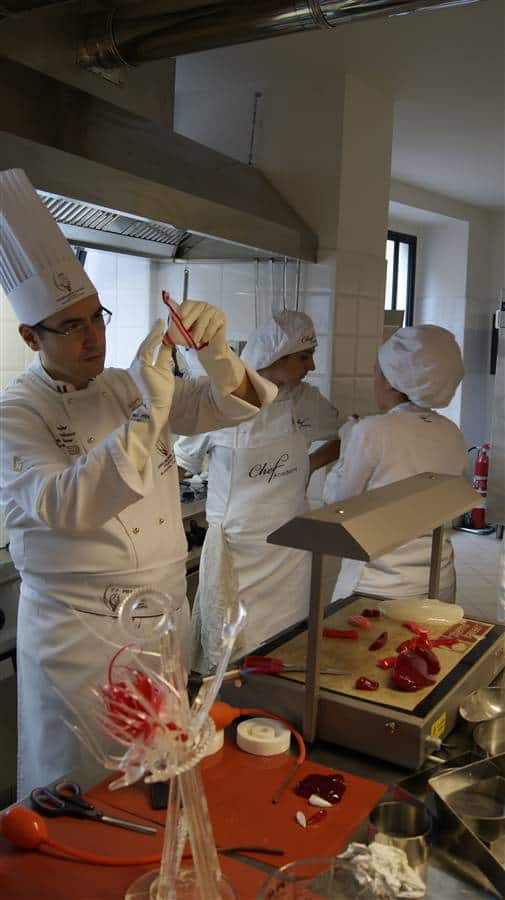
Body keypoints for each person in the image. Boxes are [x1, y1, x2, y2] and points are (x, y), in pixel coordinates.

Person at [0, 168, 277, 797]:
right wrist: (149, 415)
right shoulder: (16, 413)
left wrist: (215, 354)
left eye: (95, 317)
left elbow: (226, 405)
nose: (93, 337)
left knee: (157, 780)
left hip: (159, 624)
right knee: (81, 788)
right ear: (29, 336)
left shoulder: (125, 384)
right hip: (80, 639)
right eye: (71, 327)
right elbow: (65, 503)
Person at [175, 311, 340, 672]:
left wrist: (309, 465)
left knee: (288, 645)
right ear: (275, 356)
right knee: (234, 648)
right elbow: (181, 464)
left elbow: (343, 436)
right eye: (304, 357)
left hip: (290, 551)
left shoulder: (305, 400)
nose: (312, 366)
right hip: (237, 553)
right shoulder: (221, 399)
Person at [323, 324, 467, 605]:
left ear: (390, 381)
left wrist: (349, 439)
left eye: (376, 372)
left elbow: (337, 501)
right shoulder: (452, 432)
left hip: (378, 585)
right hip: (439, 579)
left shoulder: (372, 430)